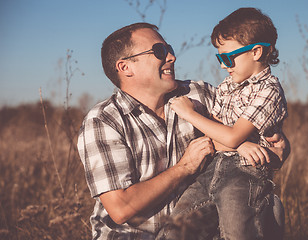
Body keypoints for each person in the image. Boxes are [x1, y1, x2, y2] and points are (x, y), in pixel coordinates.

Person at [77, 22, 289, 240]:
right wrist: (184, 167)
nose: (171, 57)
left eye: (169, 49)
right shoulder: (104, 120)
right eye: (159, 51)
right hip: (134, 236)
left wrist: (275, 147)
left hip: (198, 232)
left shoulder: (200, 94)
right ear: (125, 68)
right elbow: (121, 208)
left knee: (271, 207)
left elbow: (243, 128)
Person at [160, 7, 288, 240]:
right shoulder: (227, 85)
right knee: (174, 230)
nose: (222, 65)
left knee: (239, 234)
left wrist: (189, 114)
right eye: (219, 57)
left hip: (245, 173)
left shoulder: (269, 90)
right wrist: (239, 143)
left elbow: (229, 136)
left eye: (228, 57)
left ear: (256, 52)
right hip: (212, 168)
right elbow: (216, 135)